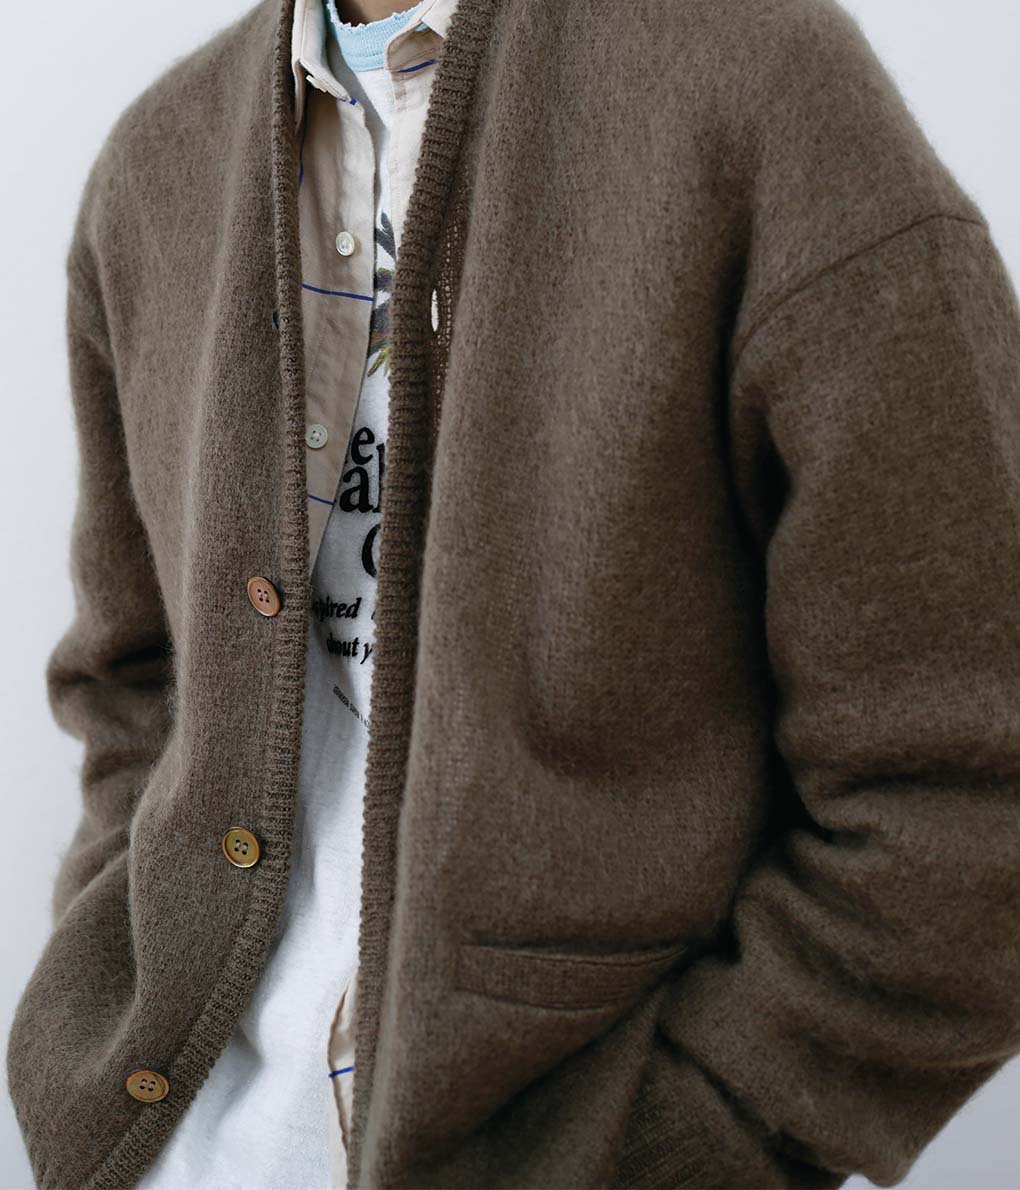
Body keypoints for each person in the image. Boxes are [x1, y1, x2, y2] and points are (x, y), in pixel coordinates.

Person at [8, 0, 1020, 1186]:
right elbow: (130, 686)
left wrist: (696, 1135)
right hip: (167, 1148)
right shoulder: (156, 161)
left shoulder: (760, 85)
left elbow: (973, 781)